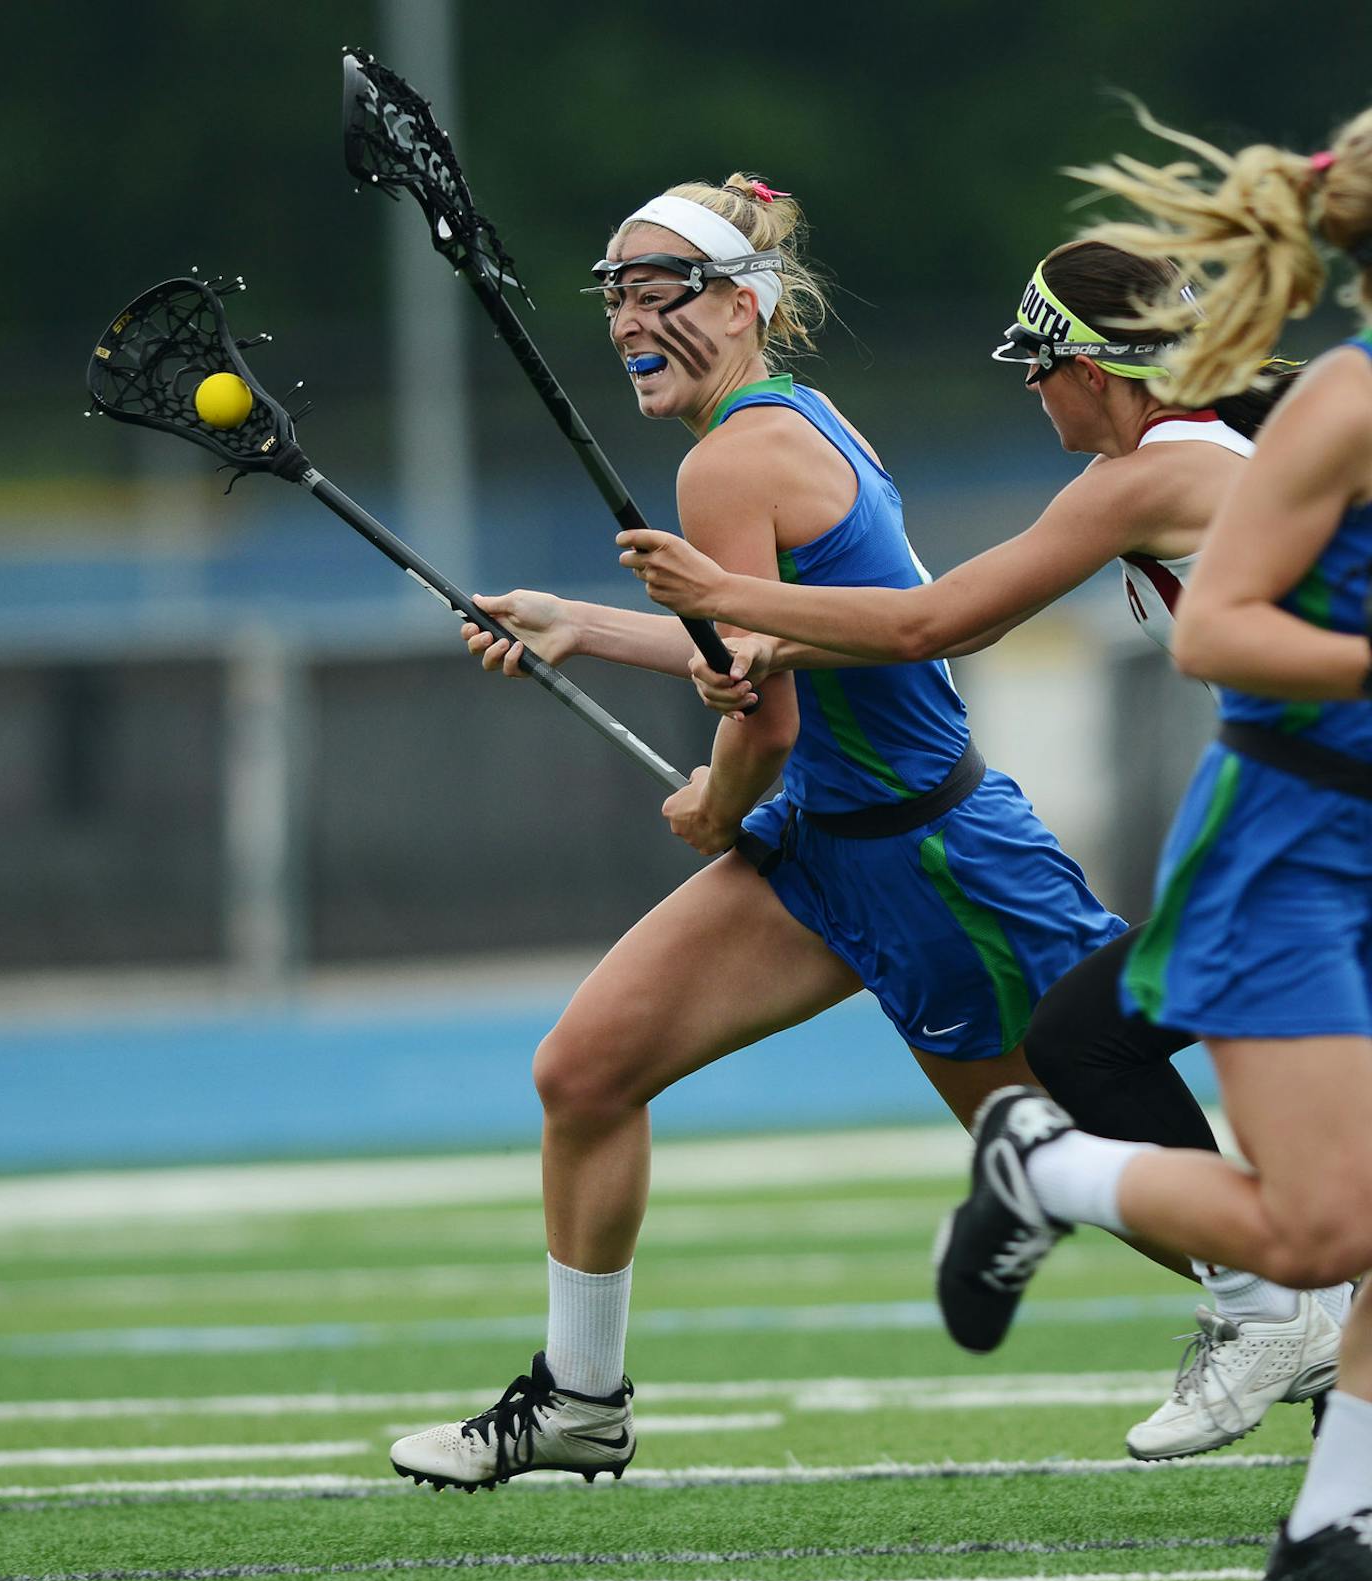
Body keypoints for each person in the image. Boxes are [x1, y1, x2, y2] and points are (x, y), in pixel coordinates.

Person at [388, 175, 1120, 1491]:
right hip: (833, 839)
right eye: (613, 290)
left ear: (740, 301)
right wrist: (578, 619)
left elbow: (763, 715)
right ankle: (580, 1397)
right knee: (589, 1070)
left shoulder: (726, 459)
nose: (626, 316)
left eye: (656, 286)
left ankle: (1296, 1310)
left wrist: (713, 807)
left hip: (924, 854)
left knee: (1064, 1152)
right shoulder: (790, 420)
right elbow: (758, 640)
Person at [622, 237, 1344, 1461]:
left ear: (1096, 370)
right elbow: (899, 626)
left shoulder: (1140, 479)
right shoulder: (1206, 444)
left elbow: (931, 620)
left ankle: (1273, 1307)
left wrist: (725, 591)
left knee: (1091, 1040)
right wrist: (661, 628)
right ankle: (1291, 1328)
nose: (1029, 388)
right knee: (1102, 1040)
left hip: (1333, 817)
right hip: (1329, 806)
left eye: (1037, 365)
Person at [935, 104, 1372, 1581]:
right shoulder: (1336, 403)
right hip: (1301, 830)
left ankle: (1335, 1525)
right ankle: (1049, 1161)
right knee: (1330, 1221)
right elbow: (1216, 628)